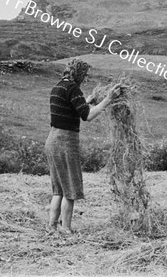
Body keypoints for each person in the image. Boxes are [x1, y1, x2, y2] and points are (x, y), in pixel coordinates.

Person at [45, 59, 121, 234]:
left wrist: (86, 100)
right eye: (85, 75)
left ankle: (51, 226)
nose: (85, 78)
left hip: (52, 139)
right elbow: (87, 116)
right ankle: (66, 229)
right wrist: (109, 99)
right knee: (70, 189)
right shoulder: (73, 88)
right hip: (65, 142)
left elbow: (73, 108)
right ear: (78, 73)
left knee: (58, 189)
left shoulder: (58, 86)